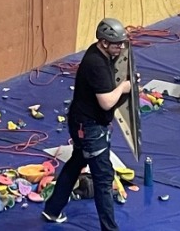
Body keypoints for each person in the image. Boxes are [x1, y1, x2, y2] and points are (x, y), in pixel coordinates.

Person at [41, 18, 132, 230]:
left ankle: (52, 209)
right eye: (116, 44)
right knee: (103, 178)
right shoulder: (96, 64)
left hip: (82, 122)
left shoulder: (101, 52)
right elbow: (106, 101)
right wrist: (123, 88)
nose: (120, 48)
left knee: (76, 163)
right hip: (89, 127)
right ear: (103, 42)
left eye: (122, 43)